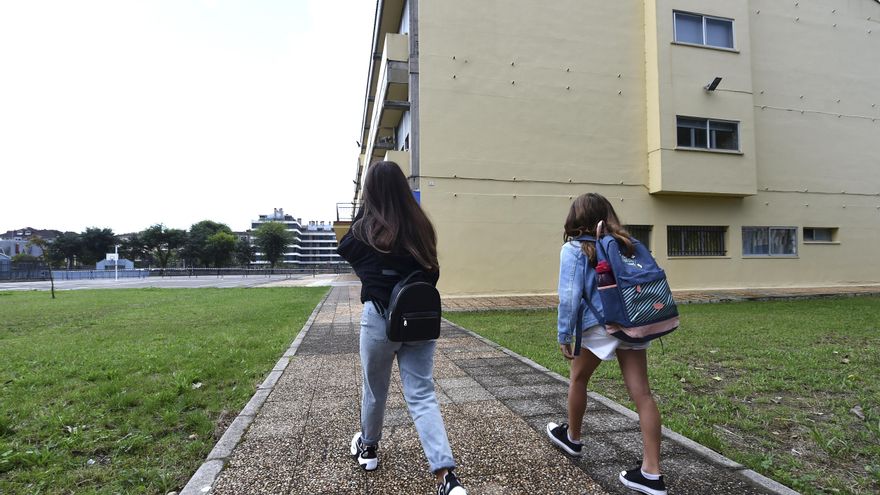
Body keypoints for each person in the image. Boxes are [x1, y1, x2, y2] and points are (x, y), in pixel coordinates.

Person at [337, 161, 467, 495]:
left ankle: (368, 449)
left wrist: (366, 211)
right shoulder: (421, 226)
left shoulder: (365, 230)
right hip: (419, 316)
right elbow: (433, 272)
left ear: (370, 192)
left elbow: (346, 251)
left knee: (375, 389)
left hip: (380, 317)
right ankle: (446, 478)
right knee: (422, 394)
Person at [545, 192, 668, 495]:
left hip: (599, 325)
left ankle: (572, 438)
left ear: (575, 218)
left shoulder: (574, 248)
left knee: (578, 378)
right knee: (643, 395)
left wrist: (565, 335)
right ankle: (652, 472)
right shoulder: (626, 244)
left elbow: (570, 298)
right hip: (632, 320)